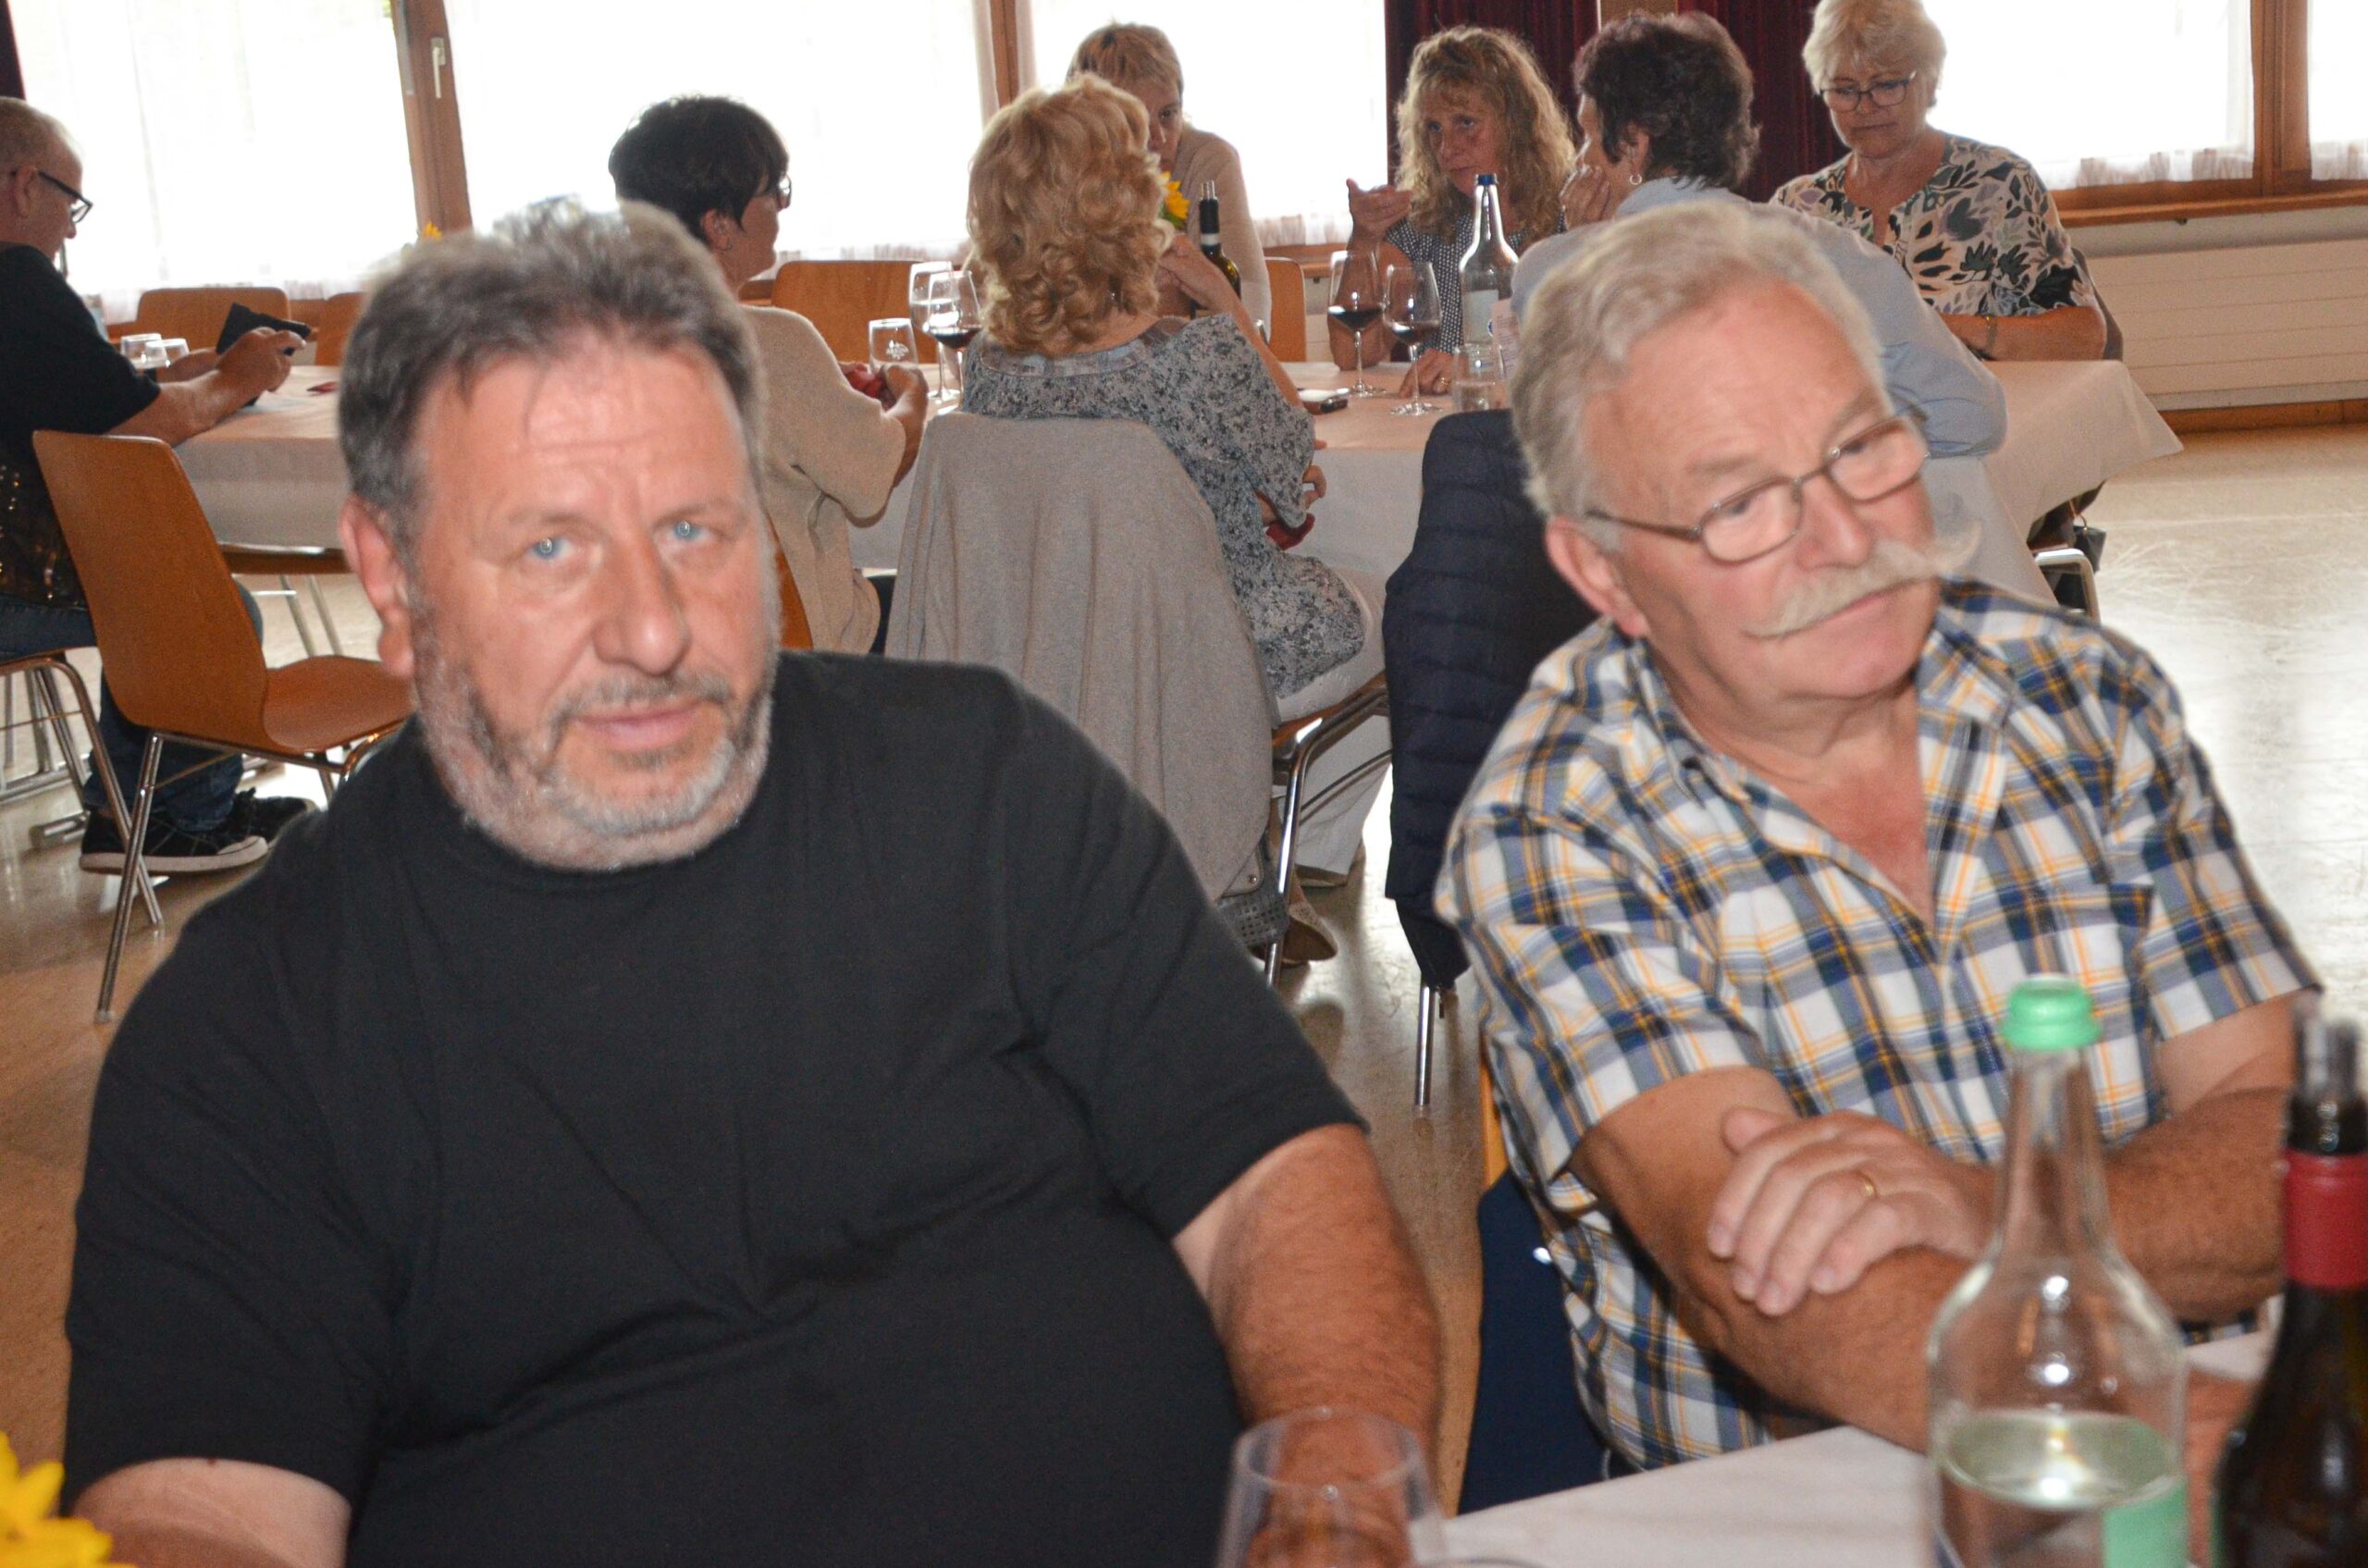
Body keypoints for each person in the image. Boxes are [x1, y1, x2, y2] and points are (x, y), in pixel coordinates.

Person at [61, 201, 1439, 1568]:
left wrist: (1337, 1493)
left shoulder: (987, 787)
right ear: (390, 573)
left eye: (696, 529)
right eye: (551, 547)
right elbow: (201, 1514)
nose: (654, 630)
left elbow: (1277, 1177)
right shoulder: (259, 1025)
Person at [1440, 203, 2309, 1500]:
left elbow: (2289, 1150)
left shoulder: (2083, 699)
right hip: (1798, 1510)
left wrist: (1994, 1206)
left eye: (1861, 449)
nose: (1846, 538)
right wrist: (2165, 1453)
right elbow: (1788, 1296)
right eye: (1739, 504)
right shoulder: (1554, 823)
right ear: (1605, 570)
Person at [959, 77, 1386, 899]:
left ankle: (1258, 849)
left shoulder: (986, 370)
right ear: (1126, 208)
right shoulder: (1197, 356)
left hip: (1051, 648)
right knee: (1395, 592)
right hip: (1211, 652)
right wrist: (1223, 302)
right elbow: (1295, 460)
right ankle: (1298, 847)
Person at [0, 97, 312, 871]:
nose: (72, 230)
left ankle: (127, 809)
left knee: (147, 580)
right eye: (72, 203)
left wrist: (178, 378)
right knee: (201, 607)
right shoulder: (15, 278)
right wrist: (237, 379)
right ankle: (184, 818)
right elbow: (146, 427)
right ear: (24, 185)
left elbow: (85, 400)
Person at [610, 95, 928, 654]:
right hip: (800, 655)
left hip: (667, 647)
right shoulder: (769, 343)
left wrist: (825, 390)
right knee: (948, 595)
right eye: (773, 192)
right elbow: (872, 475)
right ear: (719, 225)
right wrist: (912, 394)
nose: (782, 207)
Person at [1773, 0, 2106, 362]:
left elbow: (2084, 336)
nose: (1865, 107)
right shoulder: (1797, 208)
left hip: (1985, 396)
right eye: (1845, 90)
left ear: (1930, 83)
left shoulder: (1997, 184)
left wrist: (1943, 330)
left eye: (1886, 85)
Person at [1332, 26, 1574, 394]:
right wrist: (1364, 239)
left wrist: (1476, 366)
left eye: (1465, 123)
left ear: (1515, 122)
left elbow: (1583, 354)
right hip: (1440, 417)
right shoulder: (1425, 222)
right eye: (1434, 128)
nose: (1446, 147)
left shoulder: (1570, 214)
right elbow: (1353, 354)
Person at [1067, 22, 1274, 335]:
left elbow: (1251, 316)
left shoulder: (1207, 161)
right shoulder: (1057, 176)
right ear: (1091, 125)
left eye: (1167, 114)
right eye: (1135, 119)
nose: (1159, 138)